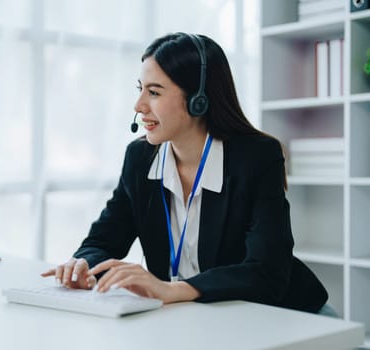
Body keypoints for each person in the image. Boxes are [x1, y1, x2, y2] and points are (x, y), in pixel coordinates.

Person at [42, 32, 328, 313]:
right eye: (140, 89)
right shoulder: (140, 158)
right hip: (192, 317)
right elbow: (102, 241)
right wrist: (82, 264)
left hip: (274, 314)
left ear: (198, 100)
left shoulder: (256, 157)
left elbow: (268, 273)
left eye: (153, 92)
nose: (139, 106)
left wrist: (174, 289)